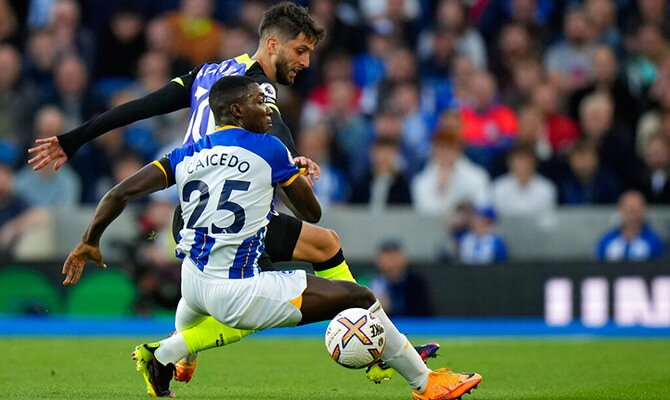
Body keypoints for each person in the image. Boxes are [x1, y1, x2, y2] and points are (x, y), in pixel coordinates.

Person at [28, 1, 389, 383]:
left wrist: (74, 138)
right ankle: (170, 352)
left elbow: (139, 107)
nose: (306, 62)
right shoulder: (256, 87)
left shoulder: (209, 73)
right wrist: (293, 156)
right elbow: (276, 124)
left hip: (194, 214)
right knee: (256, 306)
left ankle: (372, 337)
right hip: (233, 217)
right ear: (271, 44)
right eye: (300, 51)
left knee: (323, 244)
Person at [60, 76, 482, 399]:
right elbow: (311, 211)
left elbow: (120, 192)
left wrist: (90, 239)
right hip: (237, 291)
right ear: (237, 111)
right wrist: (293, 175)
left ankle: (175, 357)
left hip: (193, 280)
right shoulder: (268, 149)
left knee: (200, 312)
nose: (268, 108)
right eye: (260, 102)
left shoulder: (184, 153)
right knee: (359, 297)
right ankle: (426, 384)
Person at [596, 190, 664, 262]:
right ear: (620, 209)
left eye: (635, 209)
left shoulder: (654, 242)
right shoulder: (607, 241)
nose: (632, 214)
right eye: (628, 209)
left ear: (644, 210)